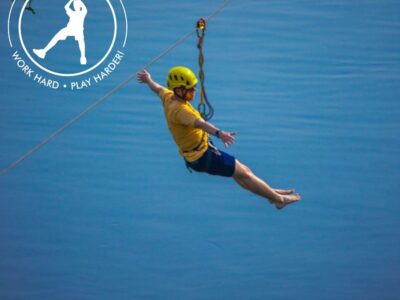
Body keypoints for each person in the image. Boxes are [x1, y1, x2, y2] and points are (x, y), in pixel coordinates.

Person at [137, 66, 300, 209]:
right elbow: (201, 124)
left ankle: (270, 193)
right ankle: (279, 199)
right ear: (179, 90)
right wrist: (220, 133)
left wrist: (148, 80)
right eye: (191, 88)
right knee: (244, 174)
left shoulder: (168, 96)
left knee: (243, 172)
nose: (194, 91)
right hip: (203, 157)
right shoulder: (180, 111)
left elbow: (157, 88)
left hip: (200, 154)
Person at [33, 0, 88, 65]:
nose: (75, 6)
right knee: (57, 37)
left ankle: (83, 58)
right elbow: (66, 6)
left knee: (81, 41)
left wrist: (76, 1)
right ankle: (43, 52)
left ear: (80, 6)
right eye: (74, 5)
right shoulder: (72, 12)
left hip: (78, 30)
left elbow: (82, 7)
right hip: (70, 29)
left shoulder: (83, 12)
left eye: (77, 5)